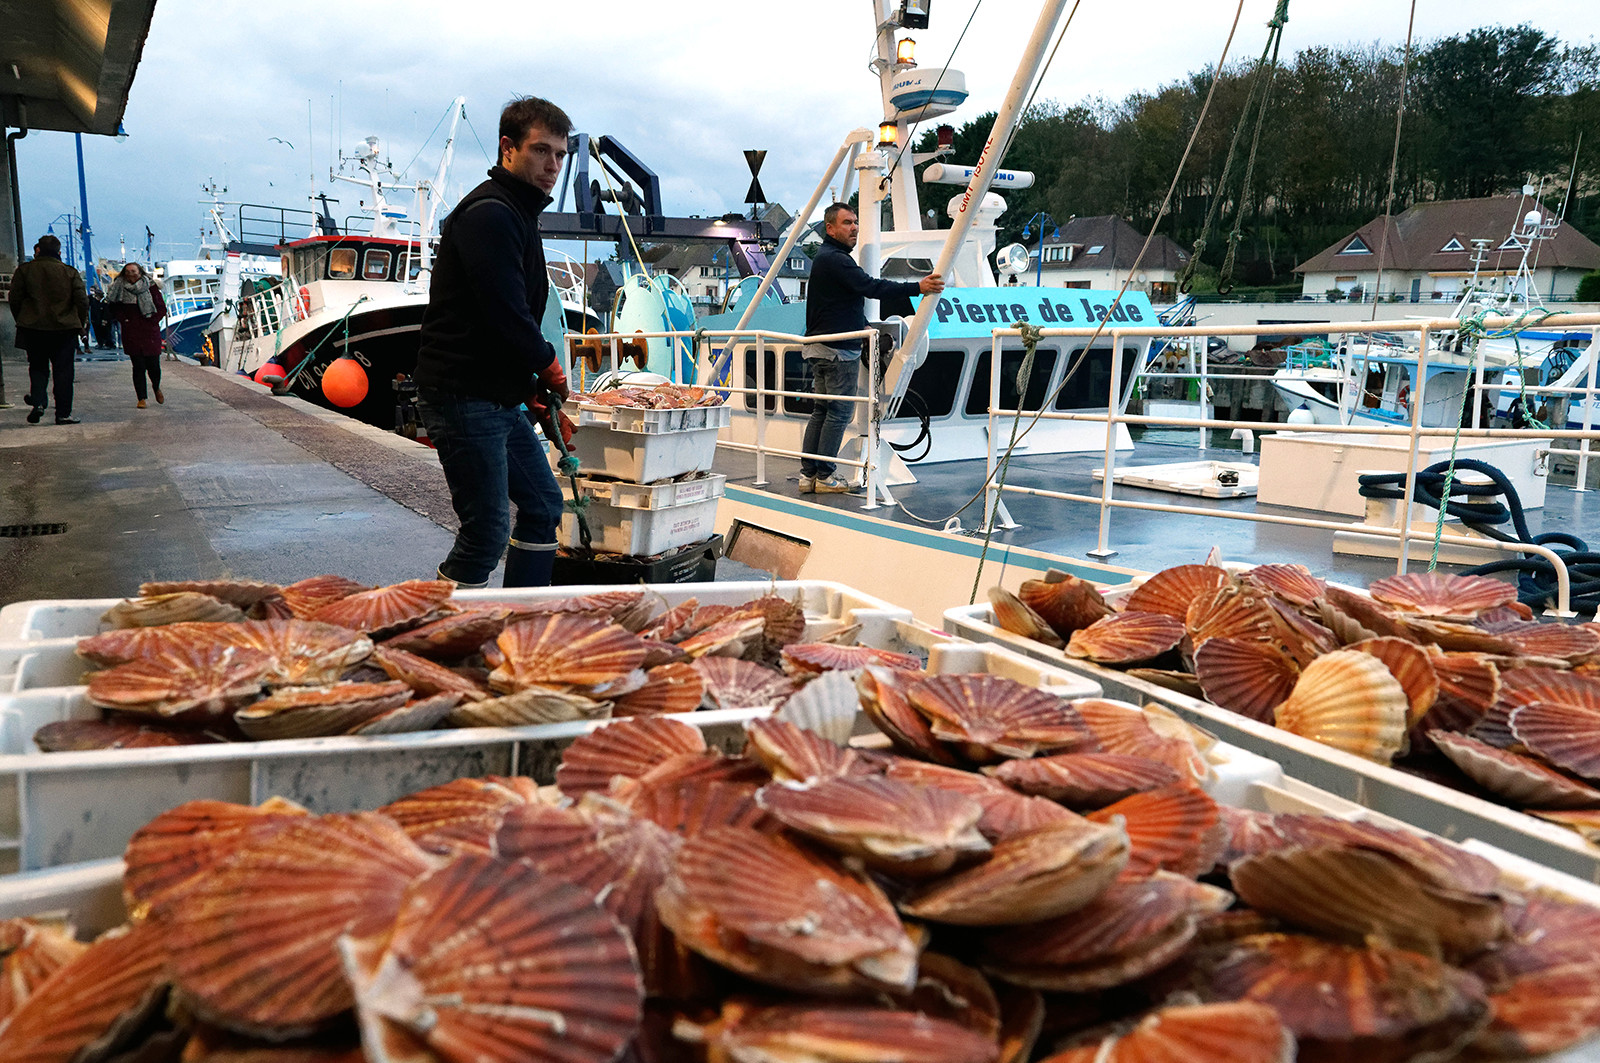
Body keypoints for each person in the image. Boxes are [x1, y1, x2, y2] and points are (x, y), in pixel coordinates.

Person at [413, 95, 571, 589]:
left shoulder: (518, 212)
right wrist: (548, 367)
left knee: (544, 504)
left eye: (561, 155)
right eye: (541, 150)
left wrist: (524, 384)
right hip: (463, 396)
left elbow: (501, 320)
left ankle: (521, 620)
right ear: (508, 148)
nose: (553, 166)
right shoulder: (490, 214)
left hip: (495, 397)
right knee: (484, 533)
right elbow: (506, 315)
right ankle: (435, 629)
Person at [799, 203, 944, 493]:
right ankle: (825, 475)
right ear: (830, 228)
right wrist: (917, 288)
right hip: (839, 351)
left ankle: (808, 475)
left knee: (821, 411)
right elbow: (870, 287)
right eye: (846, 223)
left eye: (855, 222)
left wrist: (863, 323)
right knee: (838, 413)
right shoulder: (837, 259)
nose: (854, 227)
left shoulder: (826, 258)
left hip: (820, 346)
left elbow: (836, 302)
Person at [8, 235, 87, 425]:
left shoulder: (25, 271)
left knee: (37, 367)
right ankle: (63, 414)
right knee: (64, 372)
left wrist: (22, 318)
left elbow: (15, 298)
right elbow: (82, 301)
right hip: (64, 329)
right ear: (59, 252)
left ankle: (38, 402)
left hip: (33, 328)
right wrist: (80, 323)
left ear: (38, 251)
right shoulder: (69, 272)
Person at [106, 263, 168, 408]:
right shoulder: (119, 286)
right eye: (127, 272)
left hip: (149, 330)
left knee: (153, 366)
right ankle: (141, 398)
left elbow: (161, 307)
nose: (130, 275)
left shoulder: (151, 286)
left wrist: (153, 320)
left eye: (133, 271)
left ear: (140, 272)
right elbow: (114, 307)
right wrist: (124, 320)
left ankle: (156, 386)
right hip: (131, 331)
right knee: (138, 366)